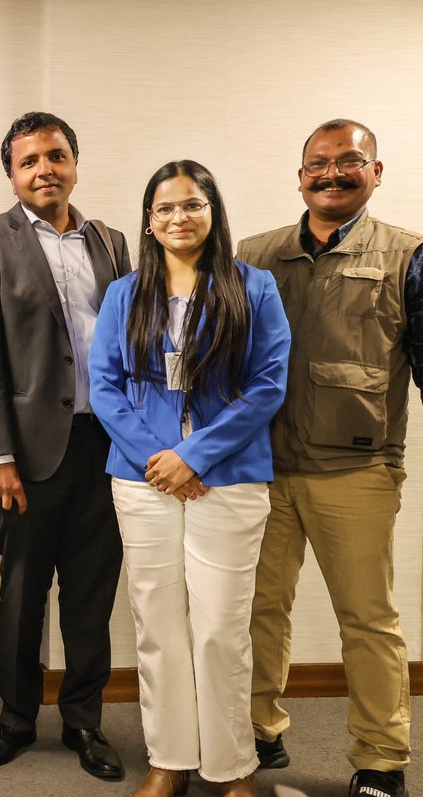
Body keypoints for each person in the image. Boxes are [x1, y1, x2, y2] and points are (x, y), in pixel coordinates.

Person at [88, 161, 290, 797]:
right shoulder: (124, 293)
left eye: (192, 205)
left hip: (227, 480)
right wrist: (161, 459)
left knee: (220, 627)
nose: (179, 217)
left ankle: (231, 767)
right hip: (143, 480)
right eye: (166, 207)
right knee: (158, 625)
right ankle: (169, 758)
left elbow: (267, 385)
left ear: (214, 212)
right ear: (148, 222)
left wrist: (194, 456)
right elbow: (105, 386)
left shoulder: (253, 287)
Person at [240, 119, 422, 797]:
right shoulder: (254, 256)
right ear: (300, 176)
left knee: (367, 619)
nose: (332, 173)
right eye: (318, 163)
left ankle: (380, 760)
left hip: (358, 471)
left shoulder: (409, 256)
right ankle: (259, 729)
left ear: (377, 173)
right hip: (260, 467)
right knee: (258, 608)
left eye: (350, 162)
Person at [0, 111, 127, 780]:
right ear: (11, 174)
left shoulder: (109, 240)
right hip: (25, 456)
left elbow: (130, 341)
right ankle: (17, 719)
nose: (43, 170)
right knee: (23, 594)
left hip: (104, 446)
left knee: (90, 594)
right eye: (28, 162)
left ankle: (83, 721)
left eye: (55, 157)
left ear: (74, 162)